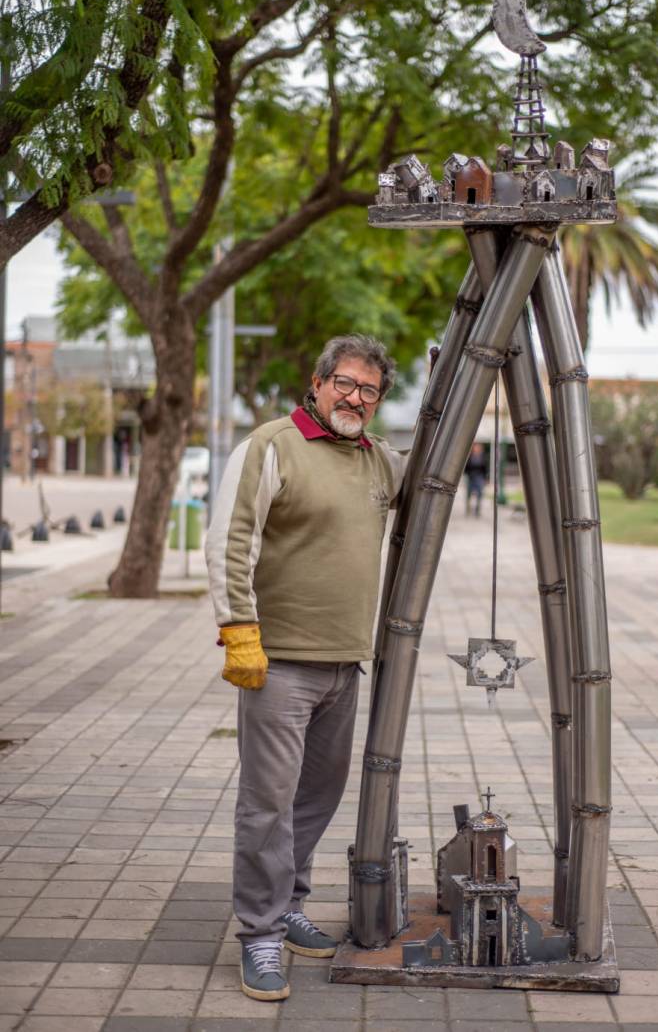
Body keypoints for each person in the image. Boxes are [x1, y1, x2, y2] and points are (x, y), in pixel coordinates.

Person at [205, 334, 407, 1003]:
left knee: (316, 798)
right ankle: (259, 934)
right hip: (278, 663)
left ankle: (288, 904)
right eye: (345, 383)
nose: (355, 397)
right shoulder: (270, 445)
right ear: (317, 382)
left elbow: (435, 471)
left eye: (369, 389)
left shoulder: (376, 460)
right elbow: (230, 536)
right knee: (266, 805)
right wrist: (239, 629)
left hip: (345, 664)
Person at [464, 441, 489, 517]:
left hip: (479, 477)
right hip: (470, 477)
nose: (477, 449)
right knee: (468, 494)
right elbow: (466, 467)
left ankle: (477, 510)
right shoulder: (470, 456)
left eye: (478, 448)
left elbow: (485, 468)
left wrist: (486, 478)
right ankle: (468, 508)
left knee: (480, 494)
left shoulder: (483, 457)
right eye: (476, 447)